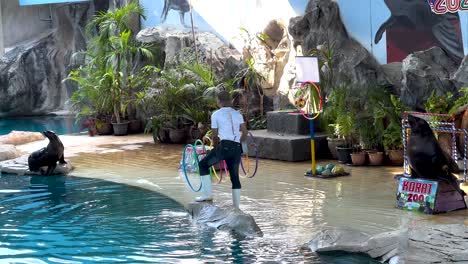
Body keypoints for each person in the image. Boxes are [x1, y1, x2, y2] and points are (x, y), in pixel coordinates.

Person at [196, 91, 248, 209]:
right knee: (235, 177)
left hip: (224, 146)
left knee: (203, 164)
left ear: (219, 101)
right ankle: (236, 207)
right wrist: (241, 145)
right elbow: (245, 132)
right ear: (229, 101)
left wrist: (215, 148)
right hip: (236, 148)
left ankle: (207, 195)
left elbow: (214, 136)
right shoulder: (237, 114)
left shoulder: (216, 114)